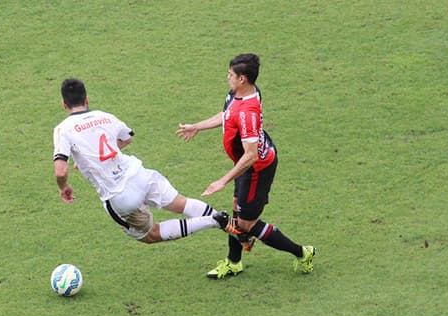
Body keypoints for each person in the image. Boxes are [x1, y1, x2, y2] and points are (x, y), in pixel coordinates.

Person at [176, 53, 316, 279]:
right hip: (244, 165)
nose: (227, 77)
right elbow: (226, 114)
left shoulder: (248, 112)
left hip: (255, 170)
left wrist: (222, 180)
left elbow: (251, 155)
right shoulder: (238, 94)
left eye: (230, 74)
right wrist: (197, 127)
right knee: (237, 210)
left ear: (243, 79)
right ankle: (234, 261)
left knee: (245, 223)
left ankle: (302, 252)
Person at [53, 78, 225, 244]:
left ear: (64, 104)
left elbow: (61, 171)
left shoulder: (63, 129)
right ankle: (233, 225)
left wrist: (63, 187)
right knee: (181, 203)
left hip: (119, 195)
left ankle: (215, 221)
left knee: (151, 235)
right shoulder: (105, 116)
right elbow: (127, 138)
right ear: (87, 99)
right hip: (139, 173)